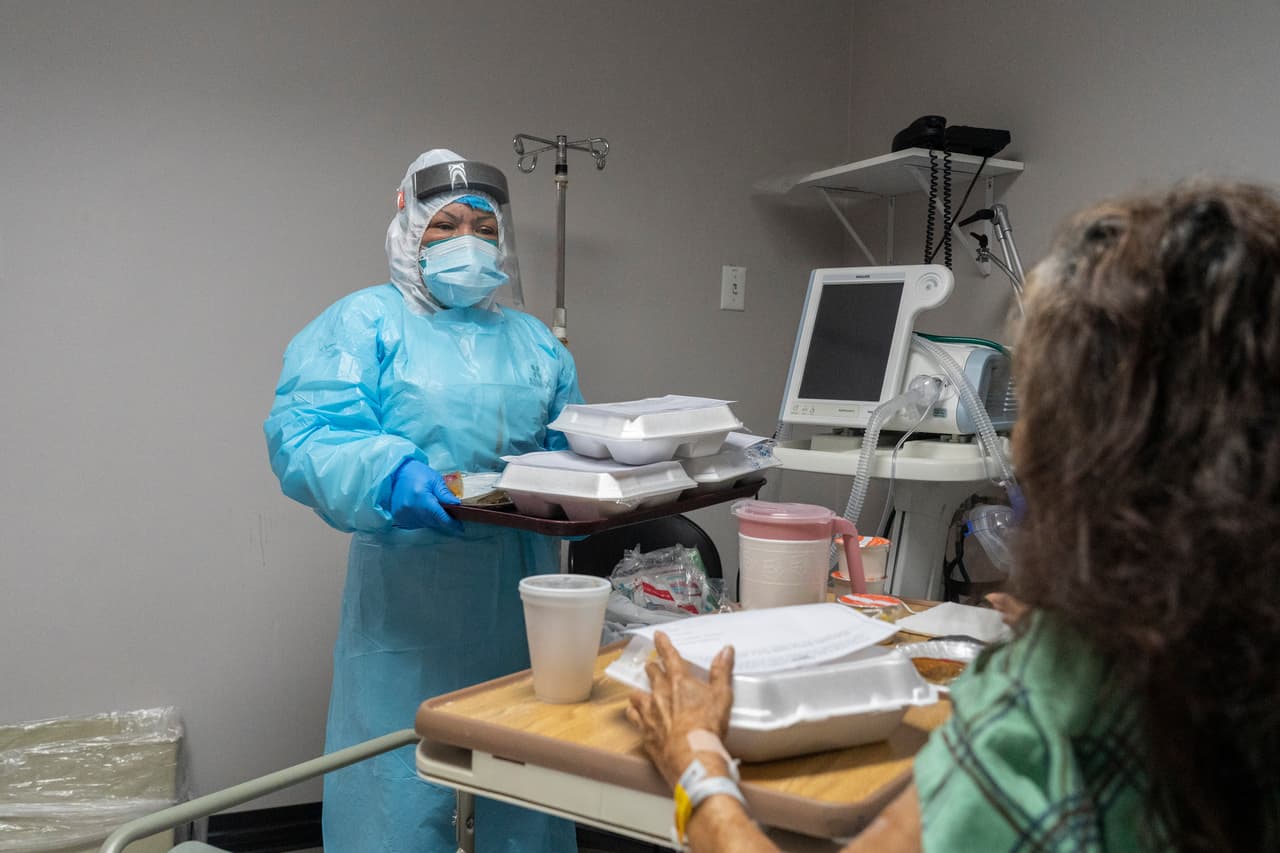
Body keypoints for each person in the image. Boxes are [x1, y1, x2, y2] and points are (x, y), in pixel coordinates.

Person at [627, 180, 1280, 852]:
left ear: (1089, 459)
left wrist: (697, 763)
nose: (1017, 440)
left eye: (1034, 403)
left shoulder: (1042, 733)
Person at [264, 148, 582, 853]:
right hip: (409, 611)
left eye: (482, 226)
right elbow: (307, 434)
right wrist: (389, 472)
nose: (468, 241)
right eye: (446, 225)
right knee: (400, 796)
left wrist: (583, 487)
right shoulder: (363, 324)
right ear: (408, 227)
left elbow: (576, 440)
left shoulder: (534, 343)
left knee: (520, 786)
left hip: (519, 602)